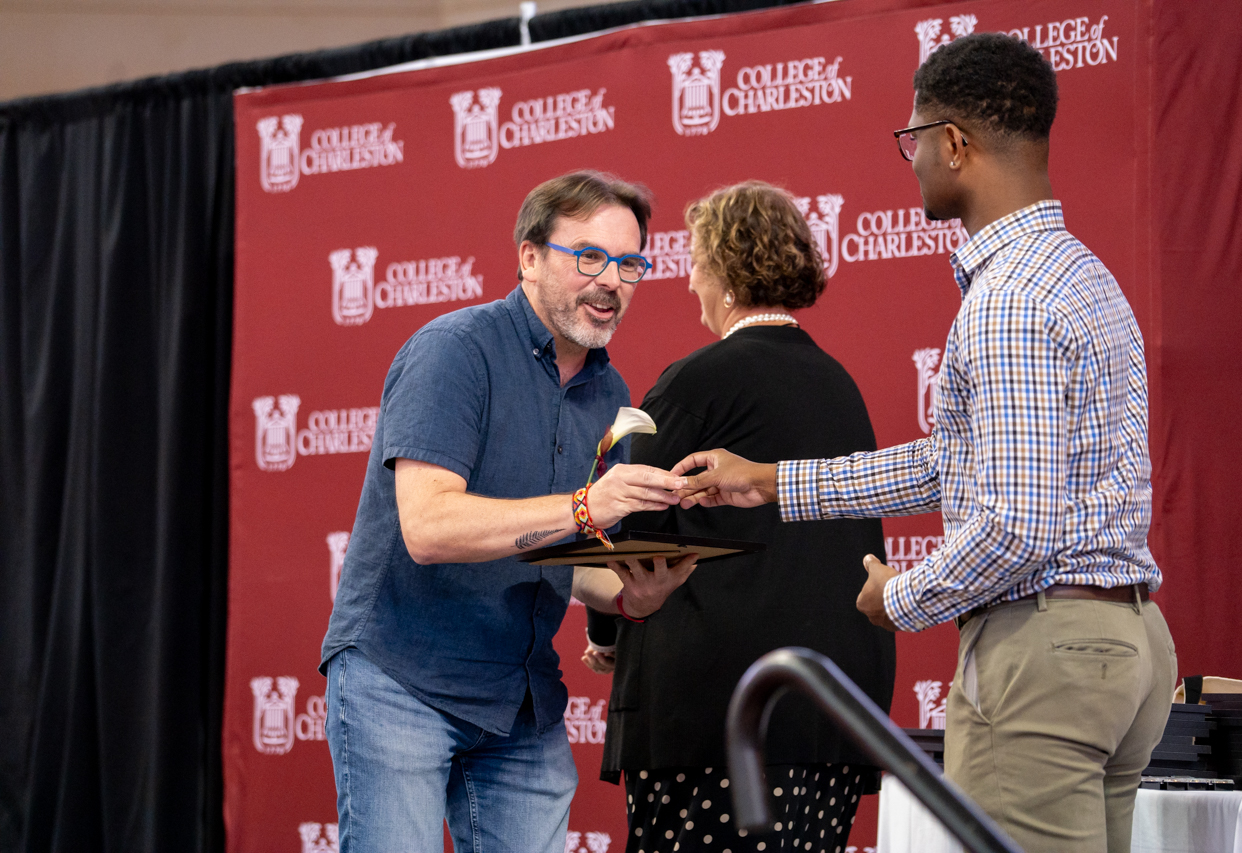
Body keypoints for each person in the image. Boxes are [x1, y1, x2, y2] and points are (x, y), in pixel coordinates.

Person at [674, 34, 1176, 853]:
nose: (908, 160)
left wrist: (897, 601)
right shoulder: (1079, 273)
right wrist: (770, 481)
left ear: (955, 143)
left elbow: (1015, 523)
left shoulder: (1009, 300)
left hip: (1045, 650)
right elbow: (954, 462)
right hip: (1123, 644)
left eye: (913, 139)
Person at [320, 171, 698, 853]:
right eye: (588, 255)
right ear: (529, 256)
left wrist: (633, 592)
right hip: (402, 680)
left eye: (630, 263)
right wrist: (586, 506)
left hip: (521, 701)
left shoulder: (608, 387)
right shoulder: (454, 350)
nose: (611, 280)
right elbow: (429, 528)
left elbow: (548, 552)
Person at [583, 180, 895, 853]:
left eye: (696, 260)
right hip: (835, 719)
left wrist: (607, 627)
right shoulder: (842, 387)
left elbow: (627, 530)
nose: (690, 279)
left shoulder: (695, 382)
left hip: (718, 721)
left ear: (723, 273)